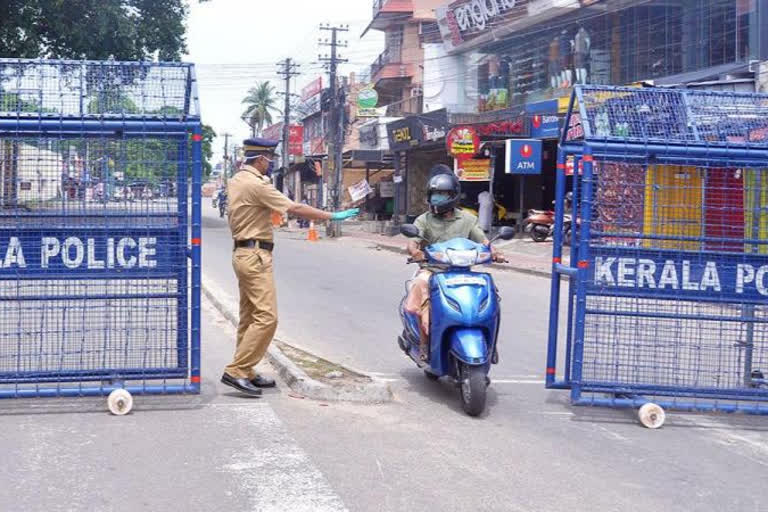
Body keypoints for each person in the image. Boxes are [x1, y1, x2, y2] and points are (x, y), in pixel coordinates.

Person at [222, 137, 359, 396]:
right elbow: (294, 207)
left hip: (243, 253)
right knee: (267, 317)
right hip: (255, 256)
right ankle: (237, 370)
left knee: (250, 316)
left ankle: (247, 369)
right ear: (261, 159)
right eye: (269, 159)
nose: (271, 164)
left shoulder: (237, 179)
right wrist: (332, 215)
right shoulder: (256, 184)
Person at [404, 166, 503, 362]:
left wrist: (495, 252)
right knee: (419, 286)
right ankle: (424, 343)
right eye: (434, 194)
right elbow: (412, 240)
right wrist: (415, 251)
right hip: (433, 270)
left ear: (453, 196)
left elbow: (482, 240)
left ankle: (492, 344)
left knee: (493, 296)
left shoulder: (467, 219)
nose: (437, 199)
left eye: (442, 194)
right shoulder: (424, 220)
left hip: (463, 271)